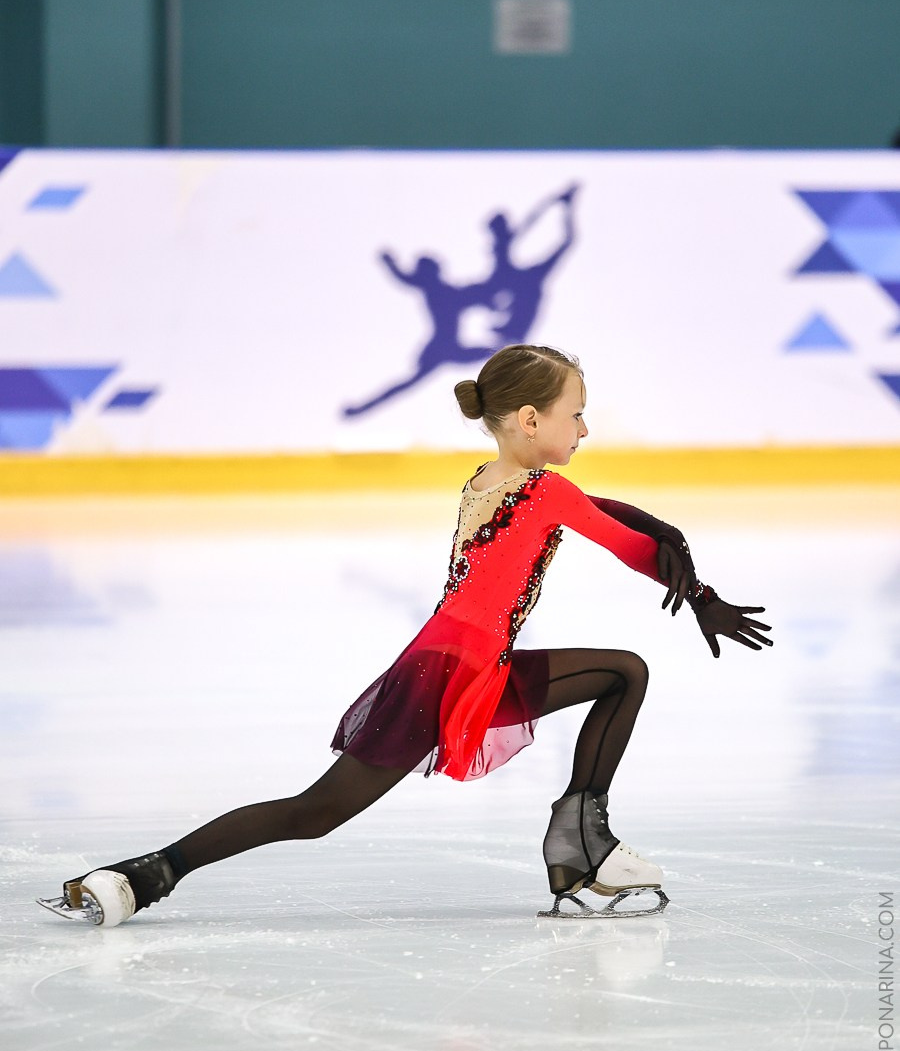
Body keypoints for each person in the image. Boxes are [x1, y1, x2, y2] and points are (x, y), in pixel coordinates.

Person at [39, 344, 772, 927]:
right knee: (315, 813)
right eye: (576, 414)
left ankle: (581, 842)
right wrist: (700, 592)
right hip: (444, 674)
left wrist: (678, 554)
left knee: (624, 671)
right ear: (529, 419)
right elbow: (625, 540)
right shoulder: (546, 491)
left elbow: (611, 515)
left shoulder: (496, 476)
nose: (584, 429)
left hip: (468, 663)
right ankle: (143, 875)